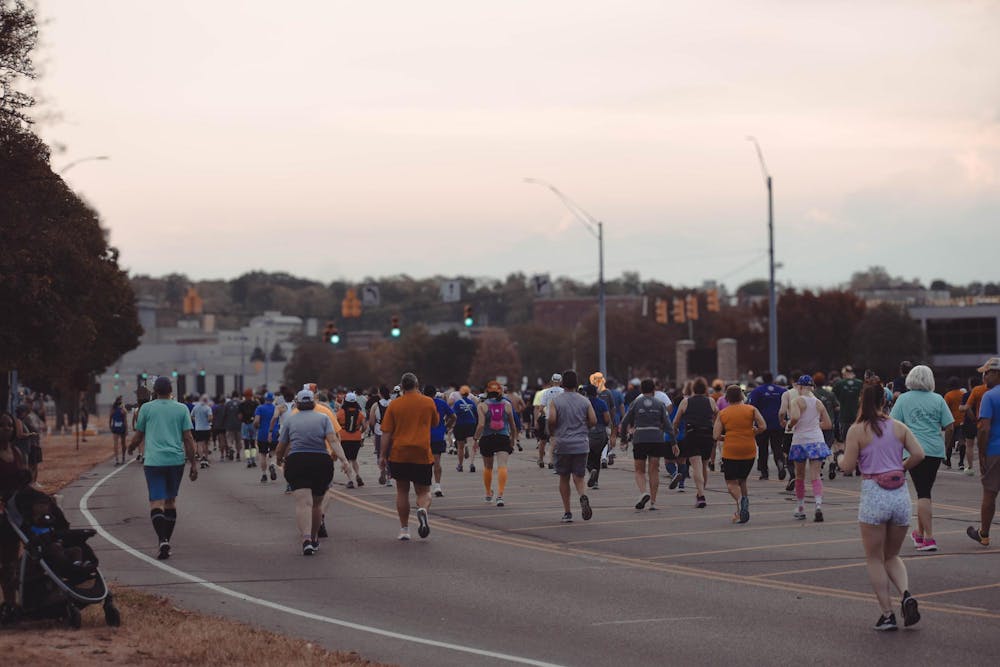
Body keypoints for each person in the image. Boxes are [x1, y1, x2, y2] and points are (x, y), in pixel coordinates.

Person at [838, 378, 925, 631]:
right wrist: (900, 468)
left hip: (874, 493)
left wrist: (841, 455)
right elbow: (918, 454)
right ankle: (906, 594)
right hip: (899, 494)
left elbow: (846, 467)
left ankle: (887, 614)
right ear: (885, 400)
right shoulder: (898, 427)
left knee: (874, 558)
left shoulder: (857, 430)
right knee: (892, 555)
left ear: (861, 401)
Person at [127, 376, 198, 560]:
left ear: (154, 391)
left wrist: (131, 447)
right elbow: (188, 438)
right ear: (171, 390)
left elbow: (138, 434)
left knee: (156, 503)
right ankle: (166, 540)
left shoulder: (146, 409)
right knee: (170, 502)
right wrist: (194, 463)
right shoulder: (181, 408)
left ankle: (162, 539)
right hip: (175, 460)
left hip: (154, 461)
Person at [275, 389, 350, 555]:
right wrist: (344, 460)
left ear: (298, 403)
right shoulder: (323, 418)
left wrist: (279, 459)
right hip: (321, 462)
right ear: (313, 402)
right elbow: (333, 440)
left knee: (303, 503)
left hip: (298, 460)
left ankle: (306, 538)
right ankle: (315, 537)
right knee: (316, 505)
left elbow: (282, 445)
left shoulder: (290, 420)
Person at [889, 365, 953, 552]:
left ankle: (929, 538)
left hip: (913, 450)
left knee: (923, 492)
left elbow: (893, 426)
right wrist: (946, 446)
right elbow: (949, 426)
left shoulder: (903, 399)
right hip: (934, 449)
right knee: (925, 492)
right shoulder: (938, 399)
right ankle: (918, 533)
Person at [378, 373, 440, 540]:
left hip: (399, 453)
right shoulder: (428, 402)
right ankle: (422, 510)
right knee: (424, 491)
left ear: (402, 386)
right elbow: (435, 422)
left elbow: (386, 432)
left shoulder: (394, 405)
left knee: (402, 491)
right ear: (417, 384)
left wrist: (382, 455)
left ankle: (404, 529)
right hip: (422, 453)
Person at [547, 370, 596, 523]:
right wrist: (585, 427)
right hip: (581, 443)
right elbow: (593, 420)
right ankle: (583, 496)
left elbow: (552, 419)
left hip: (563, 443)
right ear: (576, 384)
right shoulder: (584, 401)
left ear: (562, 384)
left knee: (564, 477)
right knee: (579, 477)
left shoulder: (556, 401)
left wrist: (553, 430)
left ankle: (567, 512)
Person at [714, 385, 765, 524]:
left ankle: (740, 504)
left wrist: (728, 436)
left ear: (727, 398)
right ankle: (744, 504)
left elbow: (716, 435)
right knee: (742, 480)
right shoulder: (751, 409)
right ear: (742, 396)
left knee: (731, 483)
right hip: (749, 450)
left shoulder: (723, 413)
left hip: (731, 451)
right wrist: (752, 432)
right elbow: (763, 426)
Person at [787, 376, 834, 522]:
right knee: (816, 475)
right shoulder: (818, 403)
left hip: (800, 441)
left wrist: (790, 425)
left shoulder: (797, 401)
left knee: (799, 476)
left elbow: (794, 417)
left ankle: (801, 507)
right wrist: (814, 426)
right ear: (812, 387)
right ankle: (818, 506)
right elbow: (828, 424)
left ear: (800, 387)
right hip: (816, 441)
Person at [621, 379, 673, 511]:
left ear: (641, 390)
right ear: (654, 390)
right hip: (656, 438)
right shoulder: (659, 404)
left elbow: (625, 421)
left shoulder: (636, 402)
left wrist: (623, 439)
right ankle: (653, 502)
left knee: (639, 470)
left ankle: (644, 492)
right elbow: (668, 424)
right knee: (654, 470)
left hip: (640, 438)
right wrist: (673, 442)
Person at [0, 412, 32, 621]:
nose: (7, 429)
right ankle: (9, 602)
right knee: (4, 561)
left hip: (15, 513)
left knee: (13, 559)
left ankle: (14, 603)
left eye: (10, 426)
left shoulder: (17, 453)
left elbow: (25, 481)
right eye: (2, 426)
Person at [967, 358, 1000, 547]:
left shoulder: (989, 396)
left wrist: (982, 454)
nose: (984, 376)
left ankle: (984, 534)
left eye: (987, 373)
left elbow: (984, 429)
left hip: (995, 451)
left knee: (990, 493)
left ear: (996, 373)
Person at [673, 377, 718, 508]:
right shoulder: (711, 401)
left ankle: (701, 494)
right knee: (704, 465)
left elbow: (676, 421)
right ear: (705, 389)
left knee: (696, 466)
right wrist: (714, 426)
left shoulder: (685, 402)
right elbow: (718, 415)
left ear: (693, 389)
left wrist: (674, 432)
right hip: (707, 435)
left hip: (692, 434)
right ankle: (701, 493)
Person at [473, 380, 519, 506]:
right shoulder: (507, 405)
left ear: (487, 391)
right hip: (503, 437)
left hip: (487, 438)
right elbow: (513, 426)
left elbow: (481, 425)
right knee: (502, 466)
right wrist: (513, 440)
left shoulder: (482, 405)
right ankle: (500, 495)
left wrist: (475, 438)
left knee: (488, 467)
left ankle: (488, 493)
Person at [746, 372, 787, 481]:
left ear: (762, 380)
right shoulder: (782, 391)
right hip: (778, 423)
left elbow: (750, 407)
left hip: (762, 424)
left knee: (763, 448)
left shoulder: (757, 391)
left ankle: (764, 473)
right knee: (777, 447)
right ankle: (780, 462)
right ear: (772, 379)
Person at [424, 385, 455, 497]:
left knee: (425, 463)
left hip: (423, 437)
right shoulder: (441, 403)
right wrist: (446, 427)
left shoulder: (422, 403)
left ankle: (426, 485)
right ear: (434, 394)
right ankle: (437, 485)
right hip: (438, 435)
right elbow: (453, 416)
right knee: (437, 461)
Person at [960, 374, 989, 476]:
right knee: (984, 445)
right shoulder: (987, 392)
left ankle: (970, 467)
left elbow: (966, 408)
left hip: (970, 422)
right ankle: (985, 466)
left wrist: (973, 418)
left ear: (970, 385)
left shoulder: (967, 394)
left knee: (970, 445)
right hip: (984, 421)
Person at [336, 392, 366, 488]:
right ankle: (358, 475)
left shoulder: (340, 412)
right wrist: (360, 432)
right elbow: (365, 426)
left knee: (346, 459)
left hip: (344, 438)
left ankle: (350, 480)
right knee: (354, 458)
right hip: (356, 438)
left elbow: (335, 424)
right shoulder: (360, 413)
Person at [533, 374, 564, 469]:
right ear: (561, 382)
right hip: (559, 418)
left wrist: (545, 413)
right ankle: (551, 460)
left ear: (552, 381)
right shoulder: (563, 392)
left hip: (548, 418)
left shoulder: (546, 392)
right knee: (554, 439)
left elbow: (541, 408)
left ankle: (541, 459)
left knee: (543, 440)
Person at [584, 384, 611, 490]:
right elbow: (607, 419)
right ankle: (596, 482)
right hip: (600, 433)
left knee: (586, 457)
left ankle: (591, 470)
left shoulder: (585, 403)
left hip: (588, 433)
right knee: (597, 457)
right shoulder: (602, 403)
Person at [832, 365, 864, 454]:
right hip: (858, 416)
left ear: (844, 373)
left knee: (845, 439)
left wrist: (838, 405)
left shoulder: (839, 384)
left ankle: (846, 459)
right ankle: (857, 458)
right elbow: (863, 398)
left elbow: (833, 397)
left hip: (844, 416)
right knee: (858, 439)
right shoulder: (860, 383)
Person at [367, 385, 392, 486]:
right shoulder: (393, 403)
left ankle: (382, 470)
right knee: (390, 455)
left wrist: (373, 430)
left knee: (380, 454)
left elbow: (371, 421)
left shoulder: (375, 405)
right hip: (391, 432)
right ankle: (389, 478)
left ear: (380, 393)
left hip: (379, 431)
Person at [451, 386, 479, 473]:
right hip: (471, 425)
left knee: (460, 447)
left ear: (460, 393)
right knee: (471, 445)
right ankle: (472, 464)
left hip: (459, 425)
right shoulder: (472, 403)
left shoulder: (457, 403)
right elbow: (476, 415)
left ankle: (460, 465)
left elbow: (453, 415)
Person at [253, 392, 279, 483]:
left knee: (262, 454)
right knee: (274, 452)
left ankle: (264, 474)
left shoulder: (259, 408)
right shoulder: (276, 408)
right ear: (273, 399)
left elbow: (256, 421)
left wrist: (256, 426)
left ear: (265, 399)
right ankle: (272, 464)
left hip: (262, 434)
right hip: (274, 433)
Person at [942, 377, 966, 470]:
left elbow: (945, 409)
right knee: (962, 442)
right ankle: (961, 462)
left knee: (949, 443)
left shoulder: (948, 395)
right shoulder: (962, 394)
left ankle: (948, 461)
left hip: (951, 422)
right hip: (962, 421)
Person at [190, 395, 213, 469]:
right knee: (206, 444)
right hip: (206, 428)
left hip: (198, 428)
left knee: (199, 444)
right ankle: (205, 458)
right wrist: (208, 420)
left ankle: (201, 459)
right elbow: (210, 419)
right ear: (206, 401)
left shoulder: (196, 407)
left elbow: (191, 416)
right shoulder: (207, 408)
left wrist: (196, 420)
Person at [109, 396, 129, 466]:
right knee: (123, 443)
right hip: (122, 428)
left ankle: (117, 459)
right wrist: (126, 429)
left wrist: (110, 427)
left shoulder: (113, 409)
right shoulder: (123, 410)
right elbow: (125, 421)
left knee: (116, 444)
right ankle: (123, 457)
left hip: (115, 428)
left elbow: (110, 419)